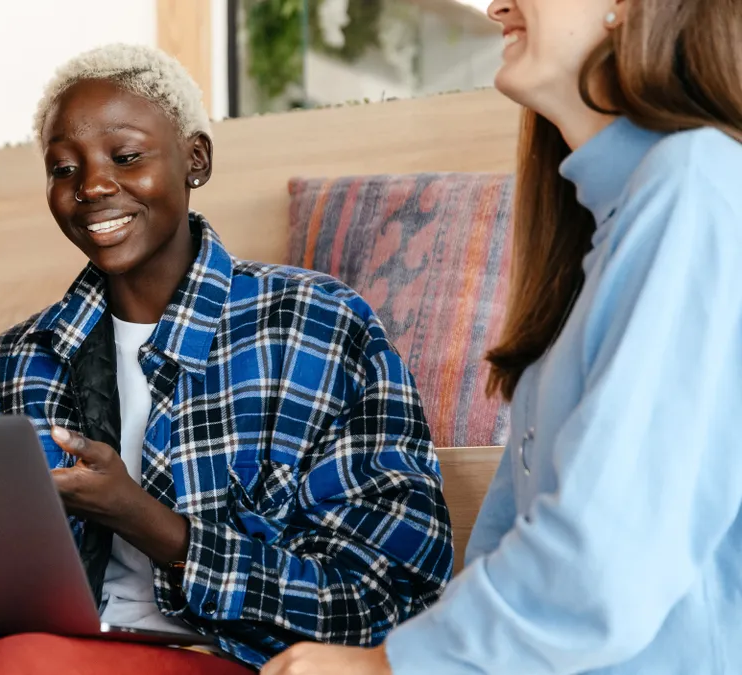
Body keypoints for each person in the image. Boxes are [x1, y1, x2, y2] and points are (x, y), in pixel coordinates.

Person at [0, 44, 453, 675]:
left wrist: (153, 524)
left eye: (126, 156)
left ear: (195, 159)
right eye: (64, 168)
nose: (93, 186)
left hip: (226, 652)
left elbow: (389, 593)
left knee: (22, 666)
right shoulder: (24, 356)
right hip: (37, 645)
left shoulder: (318, 325)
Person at [260, 1, 742, 673]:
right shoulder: (597, 238)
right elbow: (504, 547)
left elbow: (607, 562)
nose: (497, 7)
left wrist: (385, 666)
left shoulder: (695, 184)